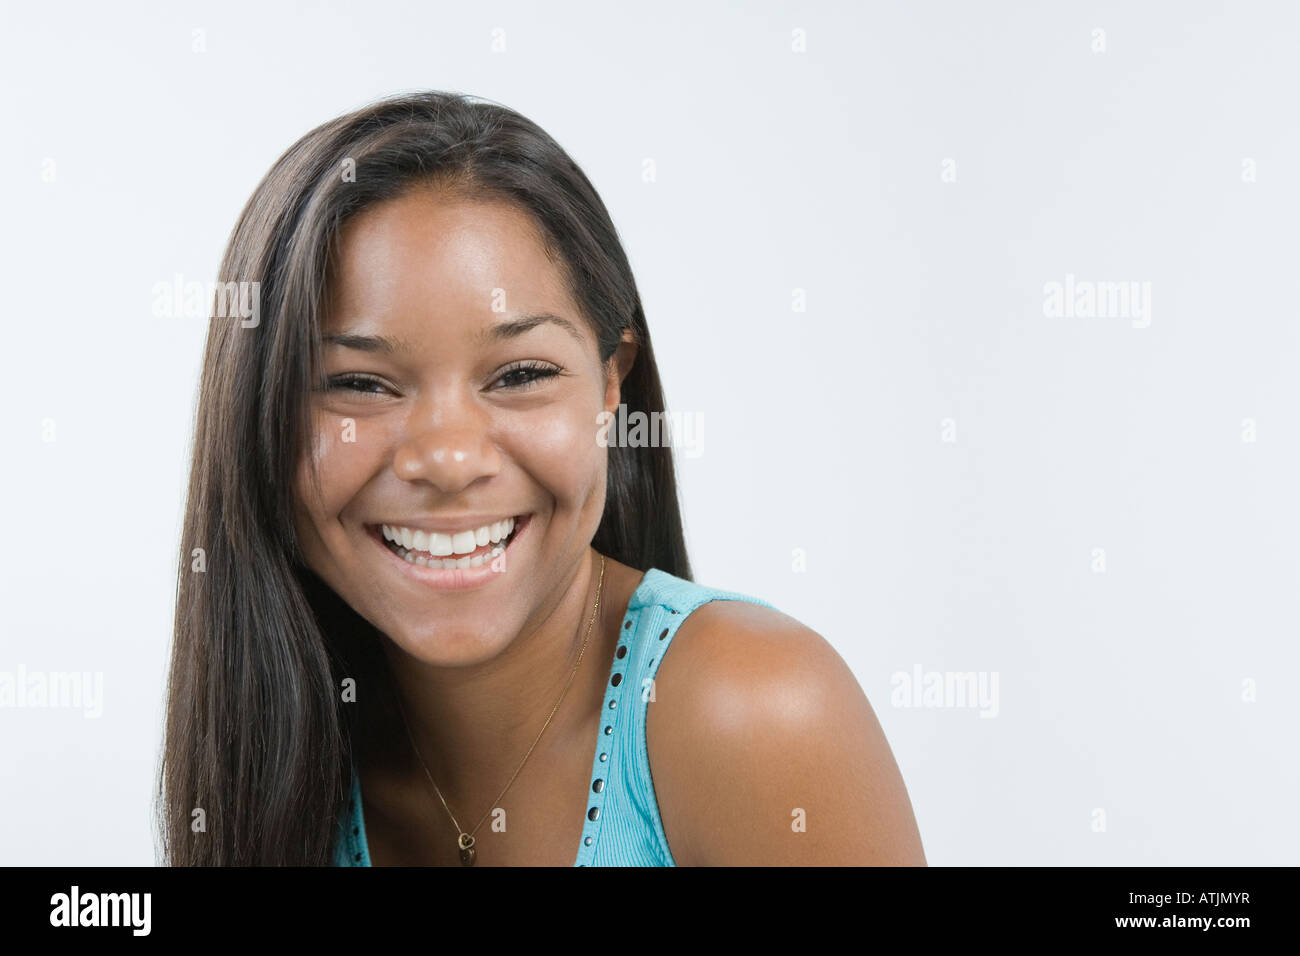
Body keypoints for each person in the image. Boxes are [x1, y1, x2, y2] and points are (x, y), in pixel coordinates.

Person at [158, 91, 926, 866]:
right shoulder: (278, 757)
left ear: (609, 387)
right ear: (259, 416)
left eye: (521, 373)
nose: (450, 461)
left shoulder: (757, 713)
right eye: (361, 384)